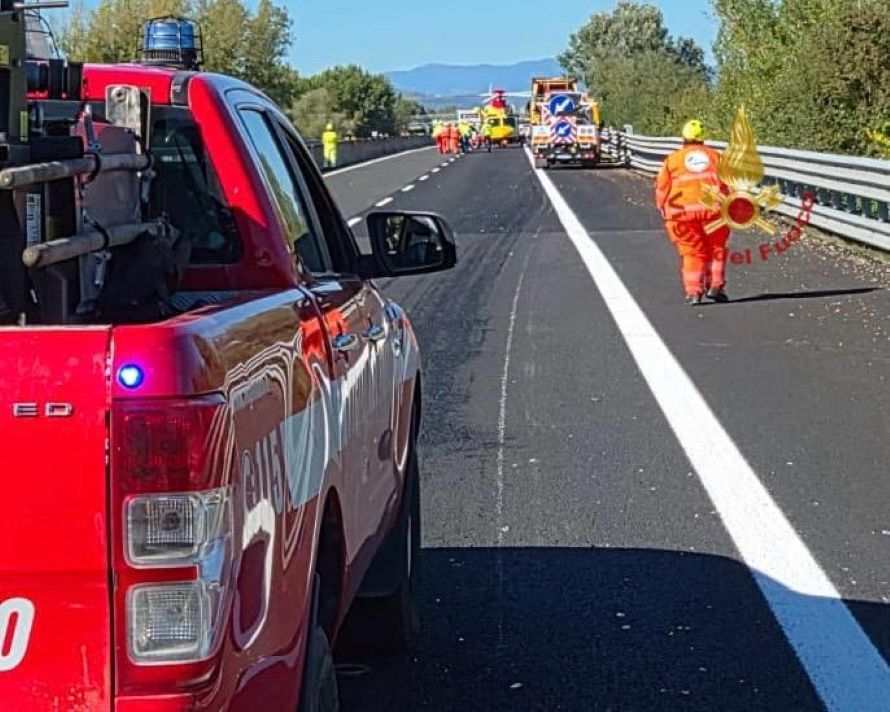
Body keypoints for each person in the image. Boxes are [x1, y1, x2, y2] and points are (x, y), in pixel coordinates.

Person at [655, 119, 731, 305]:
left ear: (683, 137)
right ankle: (715, 287)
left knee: (692, 252)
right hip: (713, 212)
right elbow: (728, 186)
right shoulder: (716, 157)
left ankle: (694, 292)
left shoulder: (673, 160)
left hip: (682, 215)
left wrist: (663, 208)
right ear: (703, 138)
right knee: (716, 249)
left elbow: (662, 188)